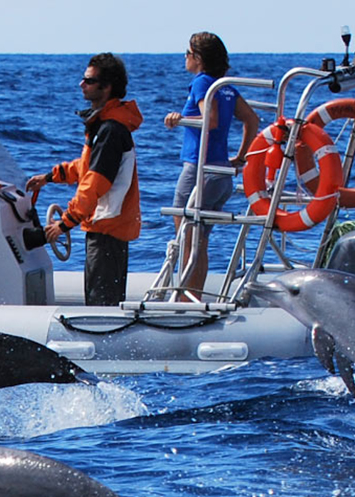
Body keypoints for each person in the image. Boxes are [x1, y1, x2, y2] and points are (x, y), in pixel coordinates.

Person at [26, 53, 142, 307]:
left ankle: (103, 343)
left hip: (107, 228)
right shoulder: (105, 127)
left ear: (107, 86)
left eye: (88, 80)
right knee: (105, 298)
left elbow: (95, 183)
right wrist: (49, 177)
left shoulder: (110, 130)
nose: (82, 84)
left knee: (102, 303)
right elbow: (86, 167)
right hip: (107, 227)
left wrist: (65, 224)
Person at [163, 32, 259, 300]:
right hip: (220, 173)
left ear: (198, 58)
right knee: (199, 240)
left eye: (188, 52)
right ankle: (194, 296)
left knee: (186, 237)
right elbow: (252, 119)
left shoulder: (202, 83)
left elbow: (211, 119)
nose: (184, 57)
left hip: (198, 171)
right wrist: (240, 158)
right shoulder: (225, 86)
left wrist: (179, 119)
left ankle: (183, 300)